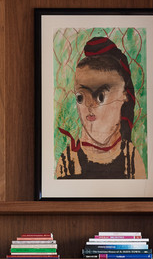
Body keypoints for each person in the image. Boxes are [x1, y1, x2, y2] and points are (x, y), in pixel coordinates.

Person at [55, 36, 146, 180]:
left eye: (100, 96)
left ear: (124, 96)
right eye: (81, 97)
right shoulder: (68, 162)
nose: (90, 105)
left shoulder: (131, 159)